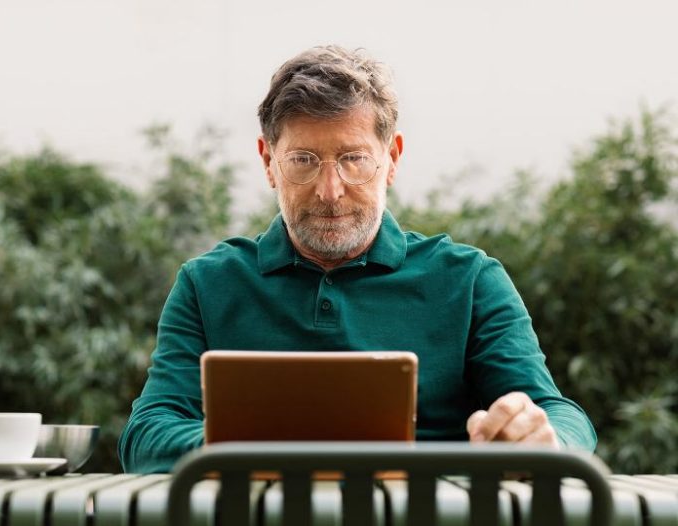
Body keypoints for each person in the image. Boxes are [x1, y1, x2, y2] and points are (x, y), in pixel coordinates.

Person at [118, 45, 596, 474]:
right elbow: (146, 435)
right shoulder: (208, 284)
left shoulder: (470, 279)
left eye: (354, 158)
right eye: (304, 160)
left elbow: (560, 416)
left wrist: (544, 437)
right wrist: (263, 449)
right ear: (268, 163)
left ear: (392, 160)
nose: (331, 191)